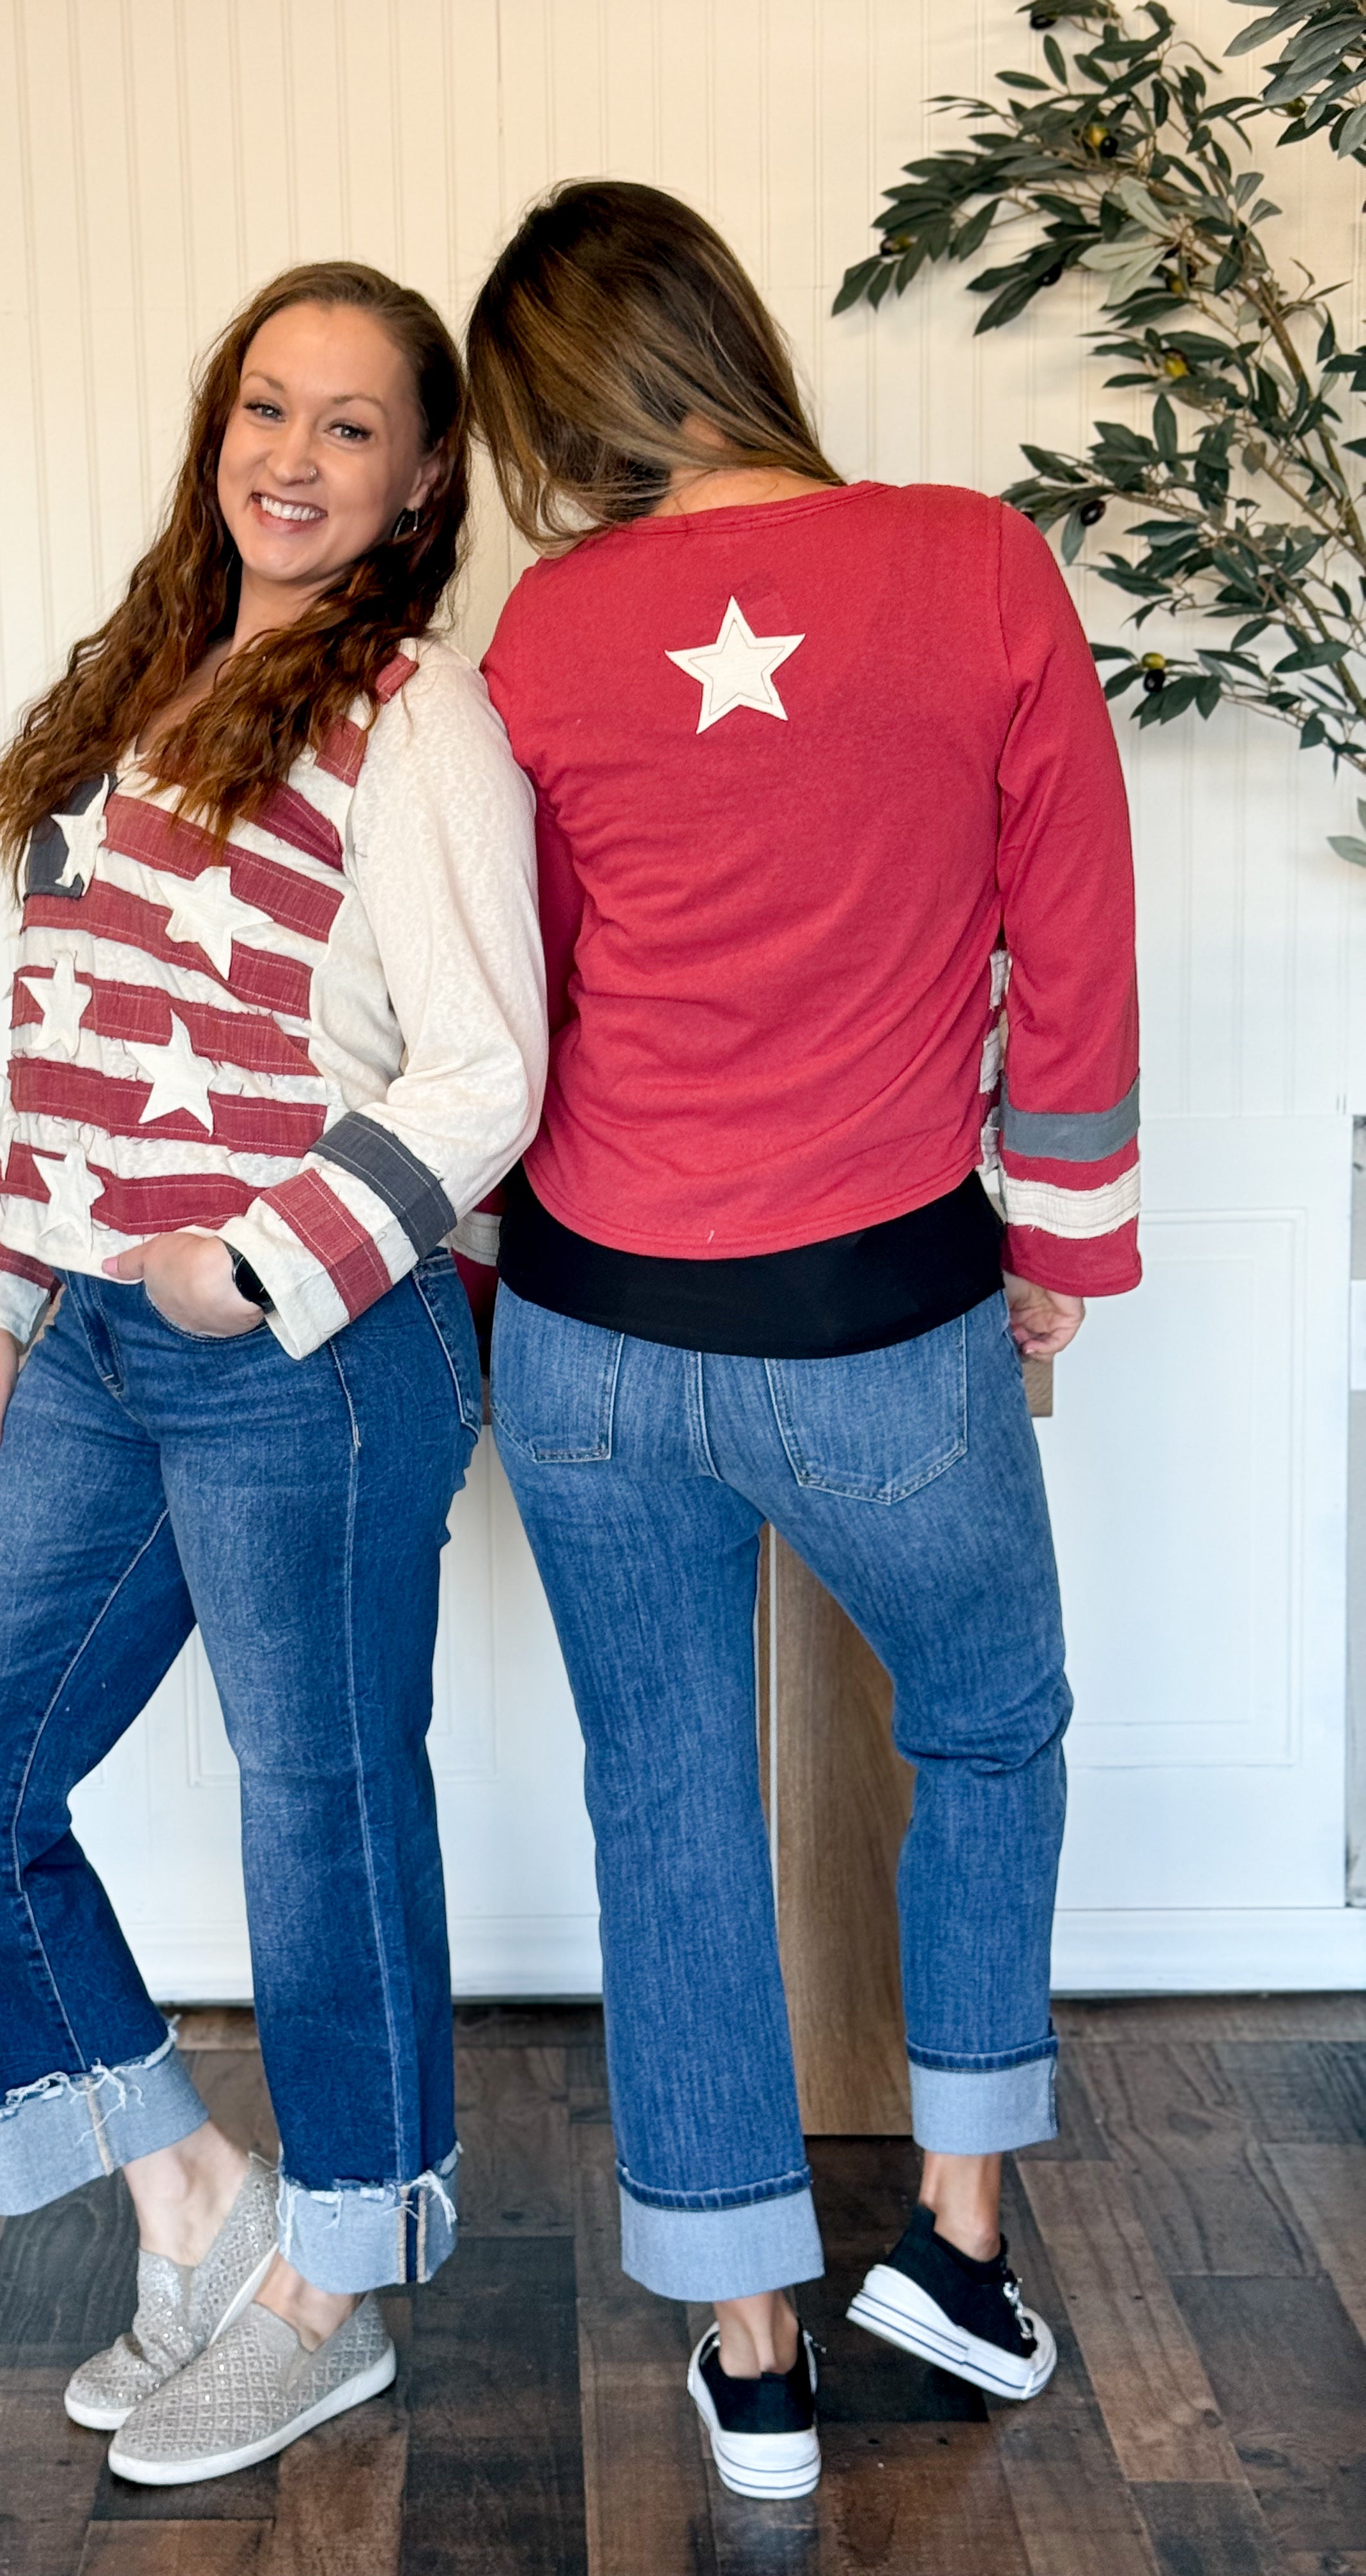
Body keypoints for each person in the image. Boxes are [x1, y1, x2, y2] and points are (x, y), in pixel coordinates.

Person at [463, 180, 1139, 2503]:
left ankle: (751, 2354)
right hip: (876, 1323)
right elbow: (1074, 933)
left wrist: (488, 1283)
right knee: (990, 1720)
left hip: (588, 1329)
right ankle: (955, 2247)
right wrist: (1063, 1241)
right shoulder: (976, 563)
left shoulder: (545, 633)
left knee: (665, 1794)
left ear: (557, 412)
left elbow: (522, 1002)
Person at [0, 261, 543, 2489]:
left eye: (352, 426)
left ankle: (333, 2296)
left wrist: (254, 1263)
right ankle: (197, 2208)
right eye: (267, 406)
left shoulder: (419, 718)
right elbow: (66, 1048)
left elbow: (489, 1070)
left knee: (319, 1812)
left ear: (422, 483)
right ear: (215, 427)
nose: (293, 457)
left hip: (309, 1345)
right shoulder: (142, 686)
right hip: (89, 1341)